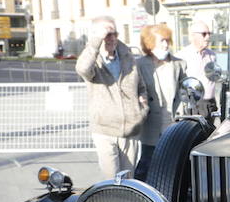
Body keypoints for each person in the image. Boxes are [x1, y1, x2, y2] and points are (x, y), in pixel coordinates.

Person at [77, 16, 148, 177]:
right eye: (107, 34)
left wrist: (142, 110)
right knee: (112, 180)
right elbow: (82, 69)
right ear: (97, 35)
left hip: (130, 129)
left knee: (128, 180)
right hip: (105, 129)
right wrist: (96, 41)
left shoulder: (127, 56)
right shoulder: (93, 60)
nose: (112, 38)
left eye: (114, 33)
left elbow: (141, 87)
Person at [136, 24, 188, 180]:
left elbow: (185, 90)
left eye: (167, 40)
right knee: (146, 163)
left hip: (173, 120)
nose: (166, 44)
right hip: (151, 122)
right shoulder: (139, 64)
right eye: (162, 41)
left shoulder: (179, 63)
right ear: (150, 42)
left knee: (173, 164)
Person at [177, 22, 217, 102]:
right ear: (193, 36)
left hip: (210, 103)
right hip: (192, 103)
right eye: (204, 34)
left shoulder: (212, 55)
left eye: (209, 34)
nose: (208, 37)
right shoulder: (181, 56)